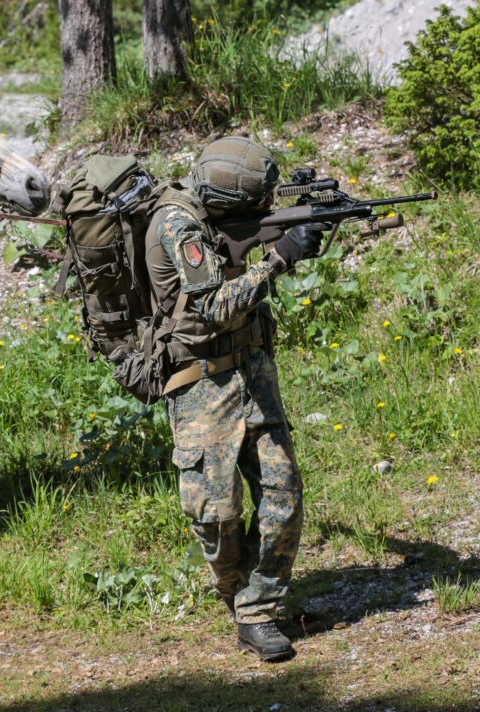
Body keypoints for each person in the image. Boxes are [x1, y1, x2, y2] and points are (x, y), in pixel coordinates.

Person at [143, 136, 325, 661]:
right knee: (215, 513)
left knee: (284, 494)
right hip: (202, 383)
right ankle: (237, 592)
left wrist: (294, 235)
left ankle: (259, 611)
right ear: (229, 202)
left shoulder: (226, 217)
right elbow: (218, 307)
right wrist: (279, 259)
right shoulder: (178, 226)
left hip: (253, 370)